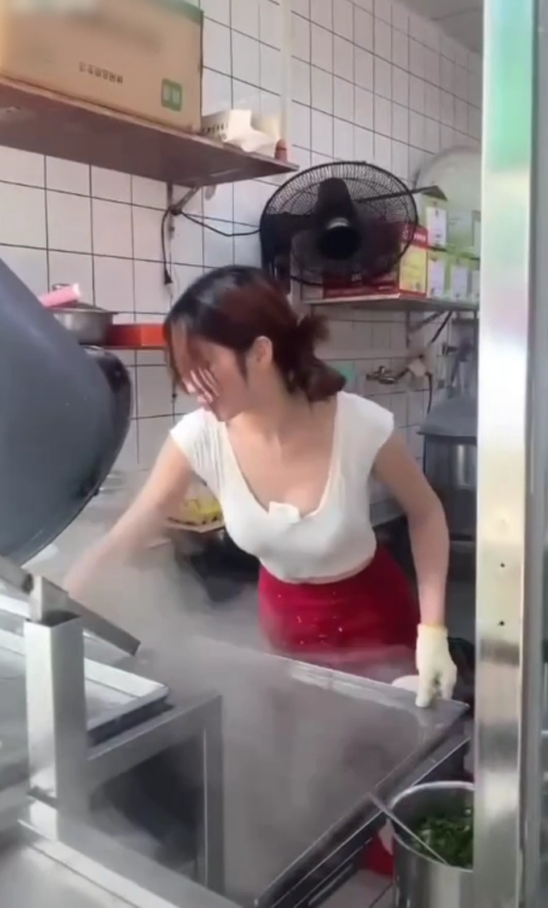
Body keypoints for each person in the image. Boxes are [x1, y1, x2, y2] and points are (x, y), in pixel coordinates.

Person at [67, 265, 456, 708]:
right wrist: (59, 602)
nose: (192, 387)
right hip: (282, 632)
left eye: (204, 366)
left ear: (260, 353)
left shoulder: (360, 425)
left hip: (377, 626)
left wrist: (433, 631)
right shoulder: (198, 437)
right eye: (184, 370)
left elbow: (426, 513)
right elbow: (126, 538)